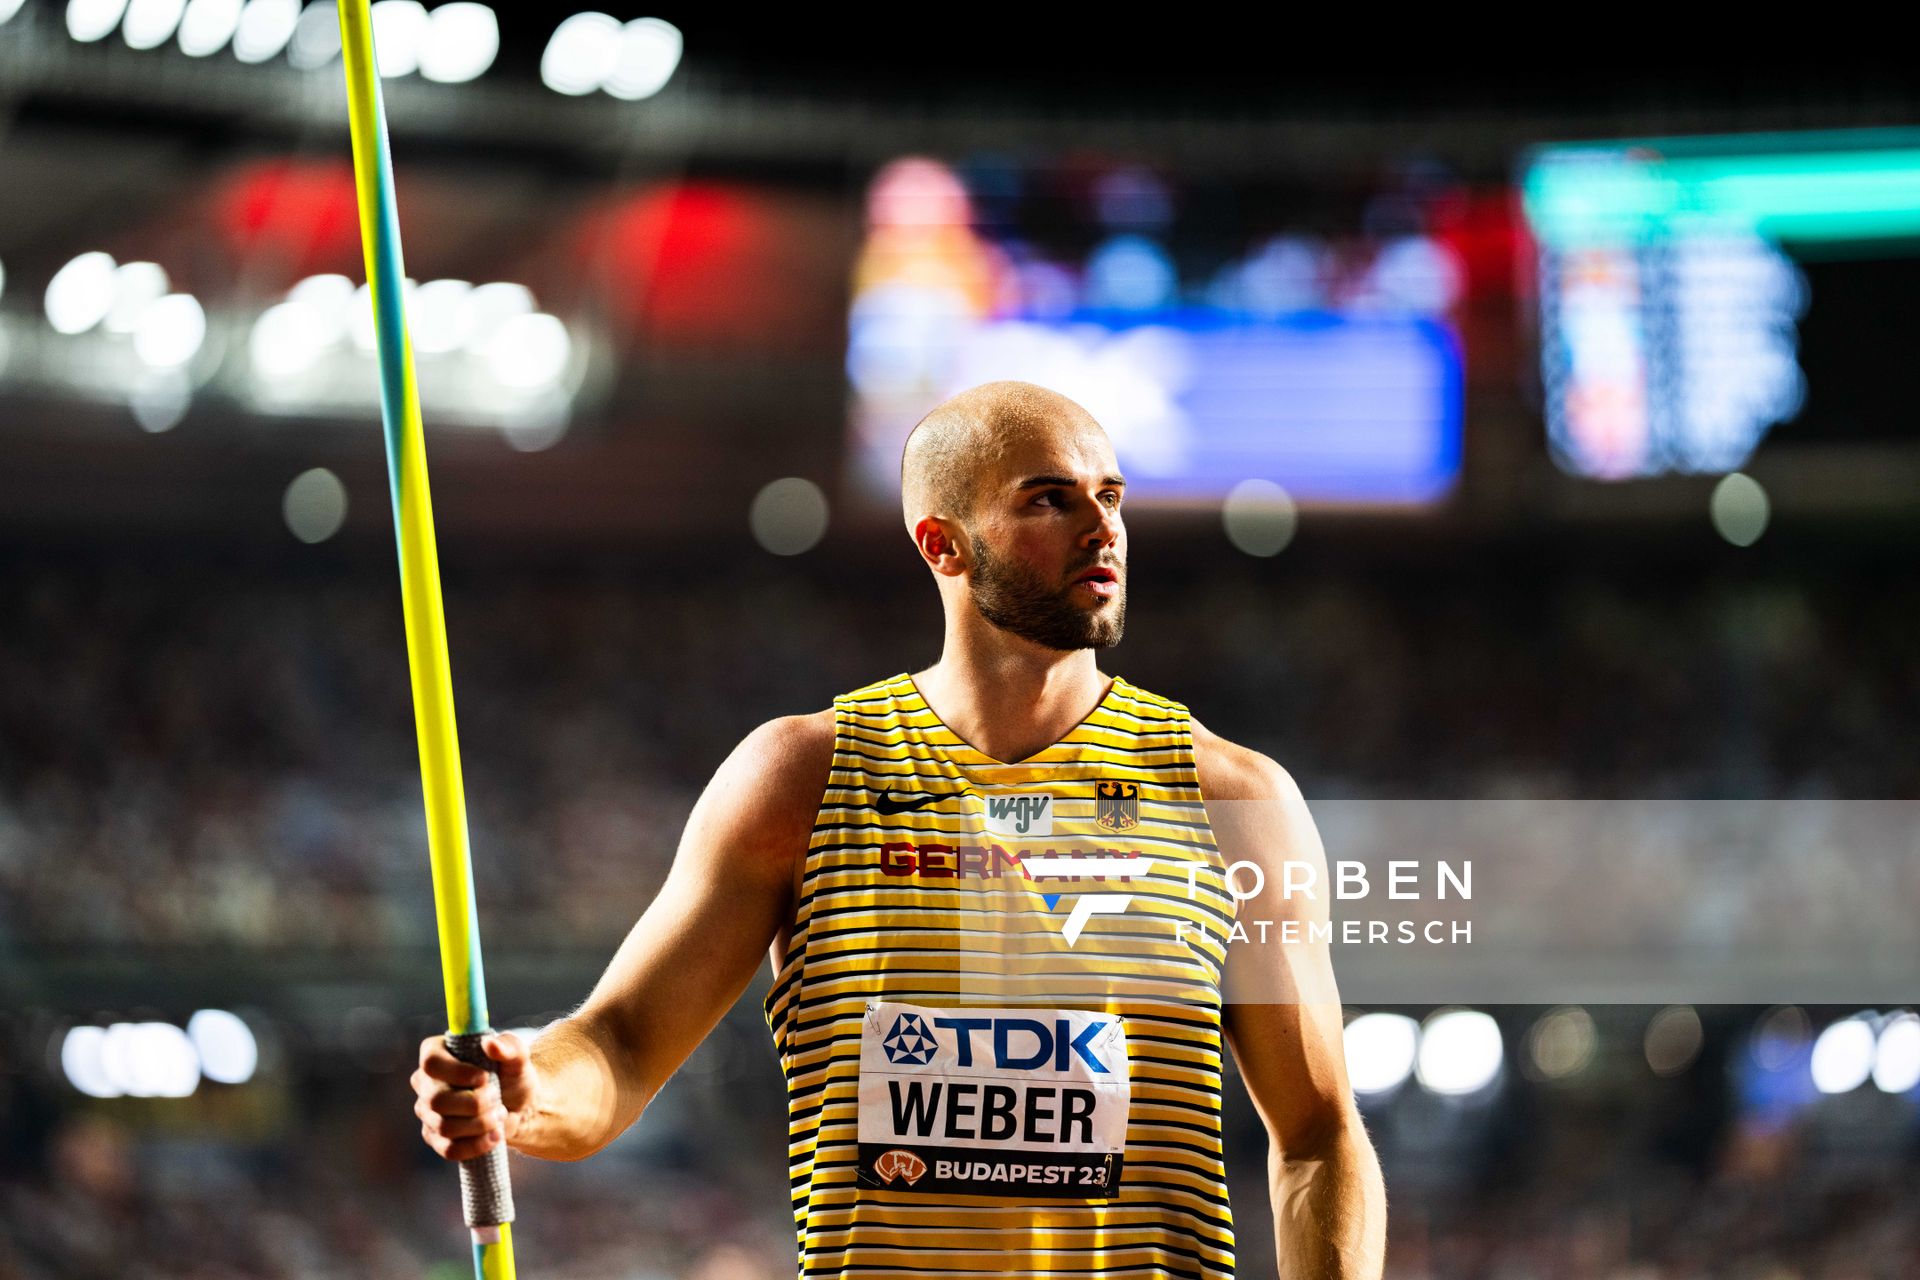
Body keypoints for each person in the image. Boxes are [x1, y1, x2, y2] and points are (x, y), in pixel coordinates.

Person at [412, 381, 1387, 1277]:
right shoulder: (803, 777)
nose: (1103, 526)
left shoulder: (1230, 798)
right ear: (943, 543)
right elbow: (619, 1050)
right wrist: (526, 1085)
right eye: (1050, 498)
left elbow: (1317, 1135)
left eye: (1113, 495)